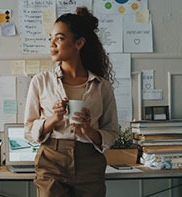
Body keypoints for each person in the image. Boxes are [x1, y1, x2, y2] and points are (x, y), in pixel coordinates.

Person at [24, 7, 120, 197]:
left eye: (59, 38)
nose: (52, 44)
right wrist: (53, 119)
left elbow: (112, 132)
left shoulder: (102, 86)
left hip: (90, 162)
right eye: (50, 38)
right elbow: (28, 130)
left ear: (79, 43)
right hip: (51, 160)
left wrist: (89, 130)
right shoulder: (41, 81)